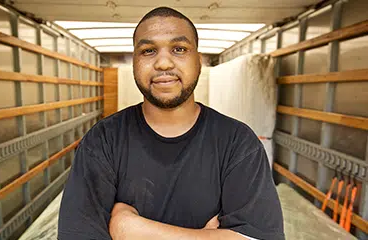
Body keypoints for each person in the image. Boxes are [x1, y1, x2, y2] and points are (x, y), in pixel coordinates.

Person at [58, 6, 284, 240]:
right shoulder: (102, 141)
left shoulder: (238, 143)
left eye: (179, 49)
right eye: (148, 51)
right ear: (134, 62)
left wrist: (130, 230)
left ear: (198, 61)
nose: (163, 63)